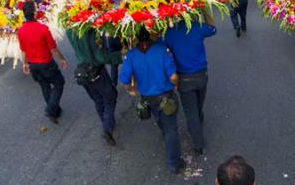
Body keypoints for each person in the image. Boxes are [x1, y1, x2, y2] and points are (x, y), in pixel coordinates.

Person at [121, 27, 184, 172]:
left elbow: (124, 79)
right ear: (151, 37)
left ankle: (165, 135)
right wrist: (176, 84)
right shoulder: (162, 50)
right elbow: (173, 77)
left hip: (148, 99)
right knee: (171, 129)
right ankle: (174, 163)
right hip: (166, 96)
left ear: (136, 38)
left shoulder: (130, 55)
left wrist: (130, 90)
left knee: (161, 121)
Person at [163, 14, 216, 156]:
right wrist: (205, 10)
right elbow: (213, 28)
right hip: (201, 76)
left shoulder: (168, 32)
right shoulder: (198, 27)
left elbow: (161, 48)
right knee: (198, 105)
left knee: (190, 111)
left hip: (183, 79)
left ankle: (198, 144)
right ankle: (198, 122)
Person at [66, 28, 121, 146]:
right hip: (97, 73)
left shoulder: (70, 30)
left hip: (83, 73)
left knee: (98, 100)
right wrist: (120, 55)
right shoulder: (91, 32)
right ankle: (107, 127)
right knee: (110, 98)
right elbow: (101, 57)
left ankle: (106, 121)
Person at [17, 2, 68, 124]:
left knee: (44, 86)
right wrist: (62, 59)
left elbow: (23, 50)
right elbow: (53, 48)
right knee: (59, 83)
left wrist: (24, 64)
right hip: (46, 63)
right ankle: (51, 109)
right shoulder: (43, 29)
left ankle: (55, 111)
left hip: (33, 65)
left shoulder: (20, 31)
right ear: (35, 13)